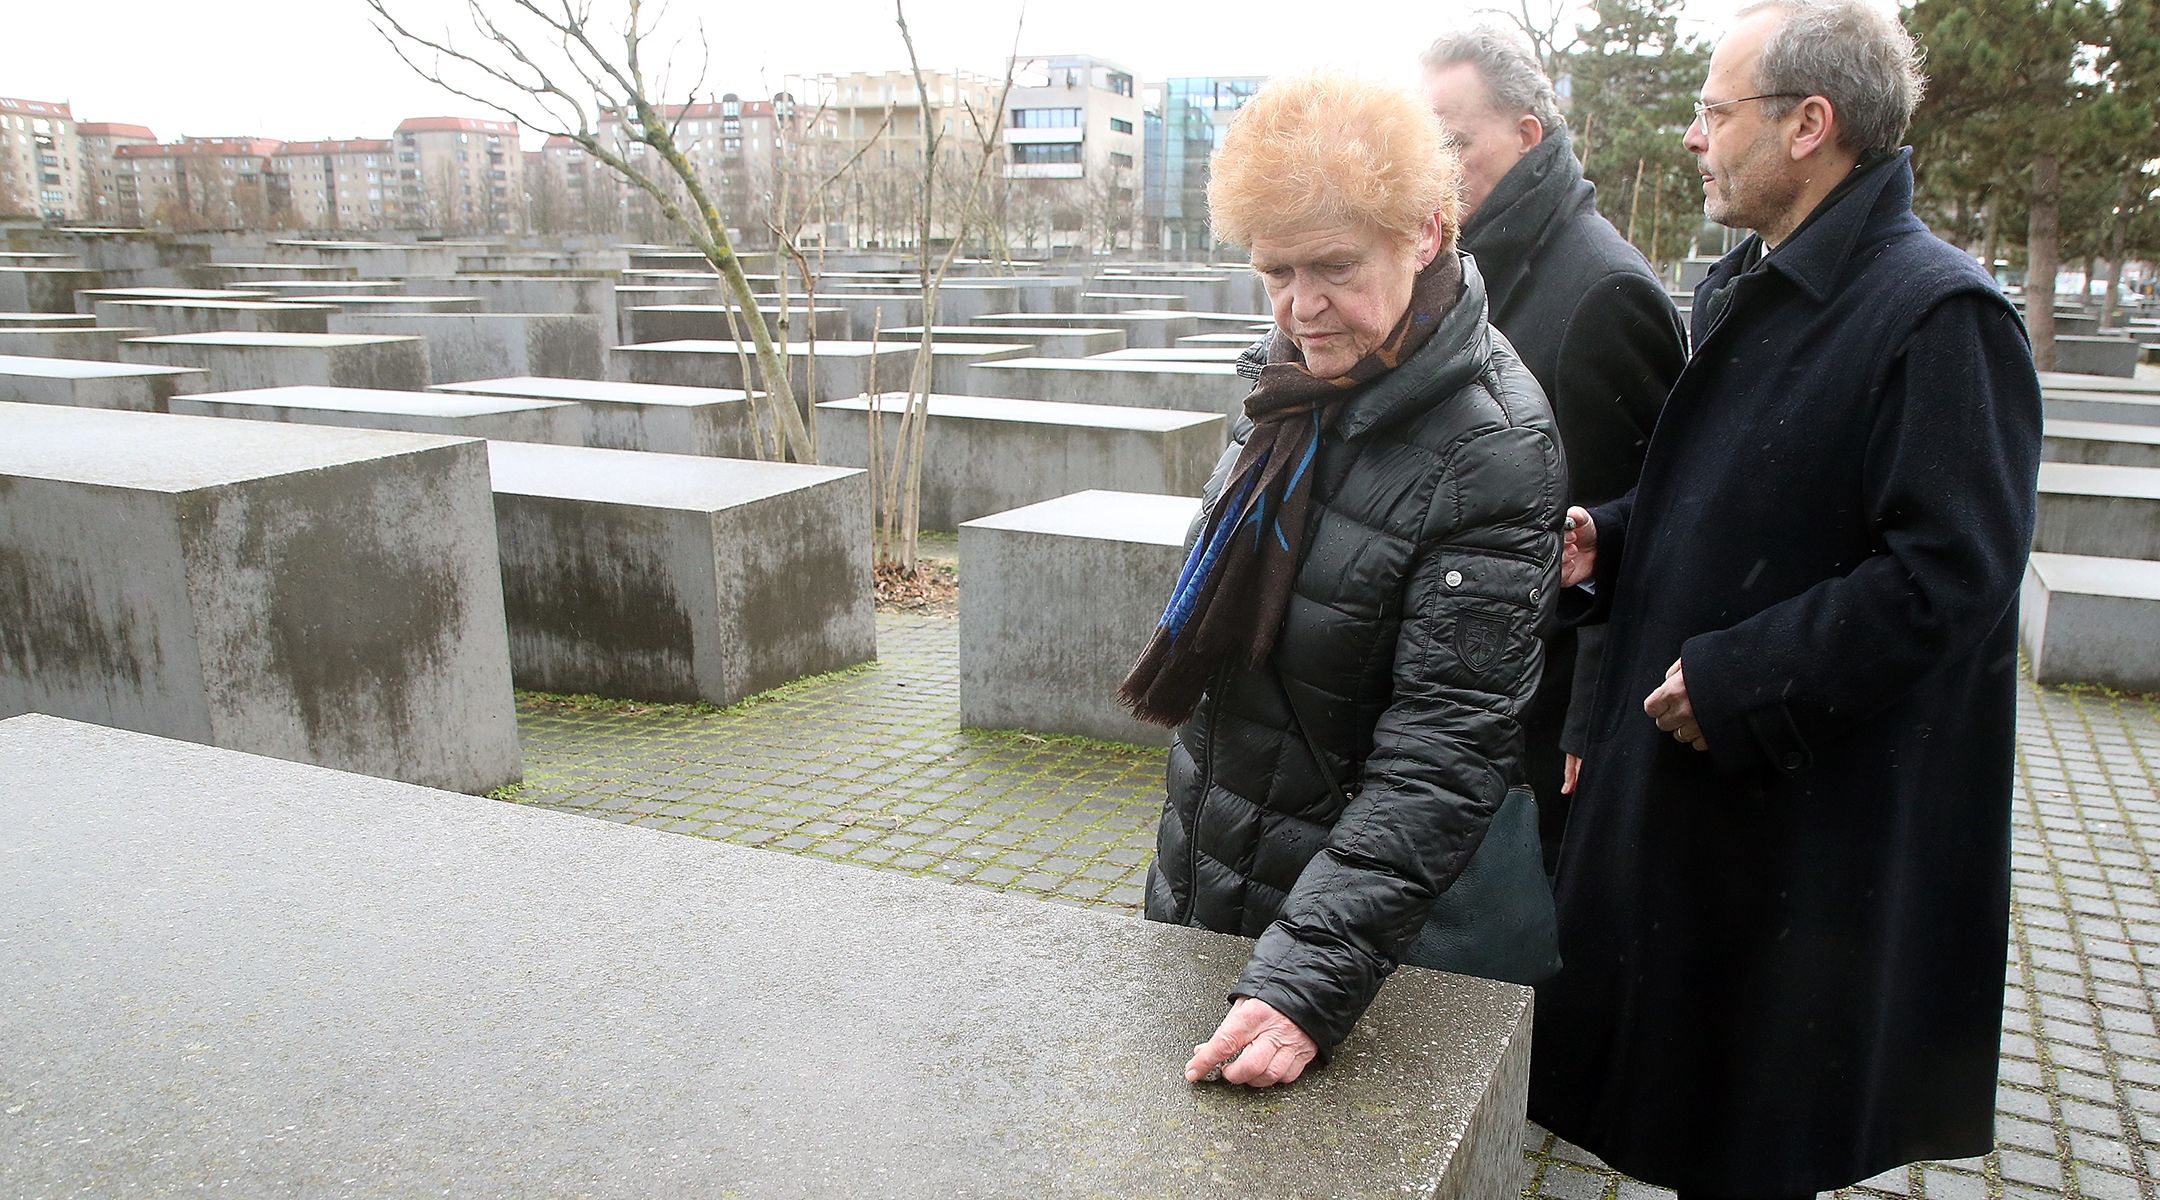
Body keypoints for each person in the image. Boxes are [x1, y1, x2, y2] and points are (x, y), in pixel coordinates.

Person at [1527, 1, 2042, 1196]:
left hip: (1806, 833)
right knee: (1696, 1116)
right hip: (1712, 808)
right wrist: (1609, 535)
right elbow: (1738, 499)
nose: (1696, 138)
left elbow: (1952, 576)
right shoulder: (1751, 285)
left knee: (1755, 1131)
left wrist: (1748, 678)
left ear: (1811, 125)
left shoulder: (1938, 316)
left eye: (1717, 111)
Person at [1120, 70, 1563, 1088]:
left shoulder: (1487, 446)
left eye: (1332, 268)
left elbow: (1446, 747)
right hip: (1217, 866)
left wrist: (1307, 975)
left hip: (1360, 939)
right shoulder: (1284, 386)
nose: (1300, 308)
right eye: (1273, 270)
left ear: (1428, 233)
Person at [1421, 28, 1689, 868]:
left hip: (1545, 714)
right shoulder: (1467, 265)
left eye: (1455, 144)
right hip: (1468, 672)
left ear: (1528, 135)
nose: (1436, 166)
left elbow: (1641, 522)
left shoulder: (1602, 290)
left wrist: (1589, 720)